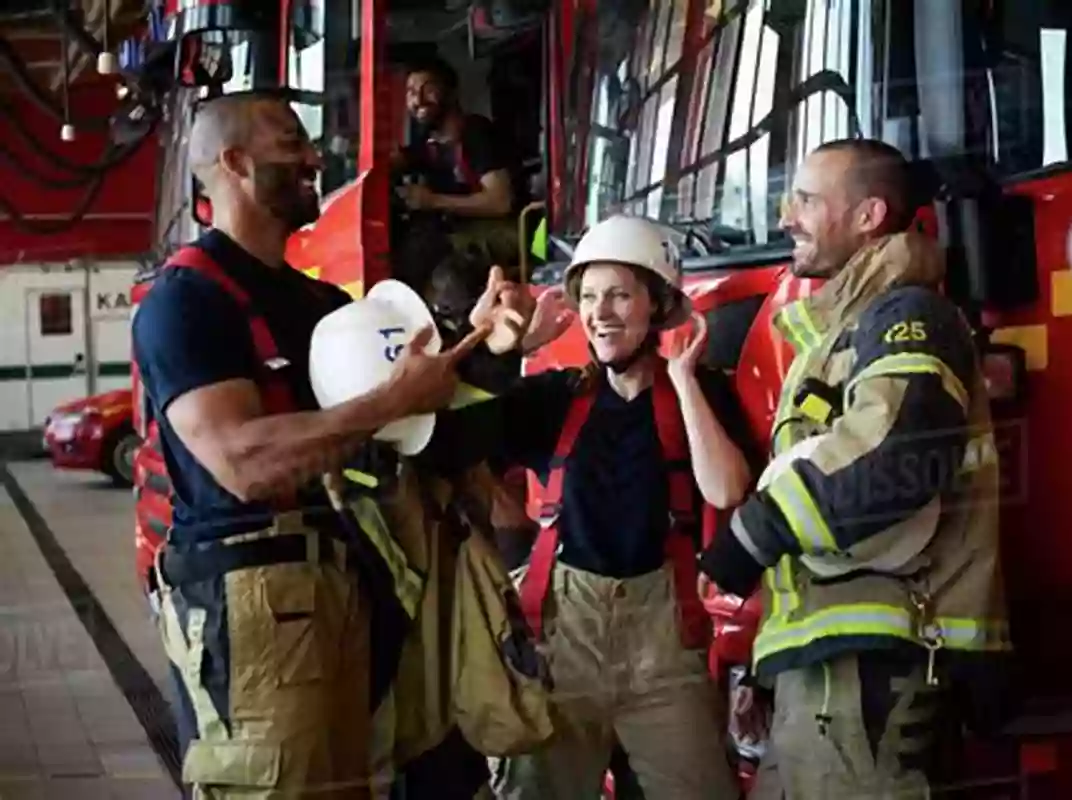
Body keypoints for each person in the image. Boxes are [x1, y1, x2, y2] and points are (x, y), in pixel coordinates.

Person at [132, 92, 488, 798]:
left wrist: (487, 346)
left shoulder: (322, 305)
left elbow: (413, 422)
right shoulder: (186, 300)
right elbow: (243, 461)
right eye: (291, 142)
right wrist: (391, 400)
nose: (313, 158)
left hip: (344, 585)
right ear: (234, 163)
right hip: (252, 604)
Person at [695, 139, 1014, 798]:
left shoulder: (907, 316)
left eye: (808, 199)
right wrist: (769, 663)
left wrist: (750, 536)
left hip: (873, 668)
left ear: (869, 215)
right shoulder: (840, 331)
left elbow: (891, 457)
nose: (787, 216)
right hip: (824, 671)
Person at [422, 214, 755, 800]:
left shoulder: (701, 393)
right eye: (591, 297)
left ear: (658, 305)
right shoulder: (556, 399)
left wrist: (682, 379)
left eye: (621, 296)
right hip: (561, 640)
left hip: (664, 648)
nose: (601, 313)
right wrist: (496, 353)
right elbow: (450, 443)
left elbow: (726, 491)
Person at [392, 55, 522, 270]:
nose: (418, 100)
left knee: (432, 257)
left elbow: (501, 202)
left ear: (451, 93)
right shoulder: (429, 144)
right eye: (411, 93)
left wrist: (432, 201)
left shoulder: (476, 134)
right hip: (465, 229)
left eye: (428, 89)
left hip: (509, 229)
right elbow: (396, 161)